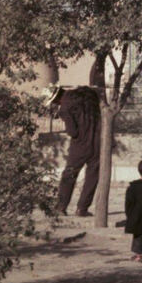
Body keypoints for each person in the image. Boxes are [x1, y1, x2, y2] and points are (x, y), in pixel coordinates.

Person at [49, 83, 101, 216]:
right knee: (92, 177)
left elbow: (73, 132)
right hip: (98, 142)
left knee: (69, 175)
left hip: (79, 145)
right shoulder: (89, 95)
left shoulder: (64, 108)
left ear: (56, 98)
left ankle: (61, 207)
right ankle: (82, 208)